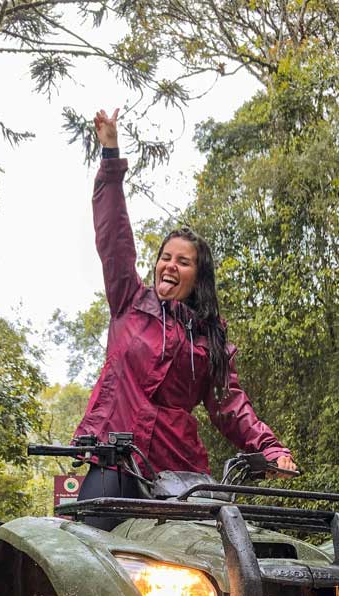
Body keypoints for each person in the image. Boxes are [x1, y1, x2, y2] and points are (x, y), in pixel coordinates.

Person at [74, 107, 297, 519]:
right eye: (165, 257)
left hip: (178, 471)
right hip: (115, 458)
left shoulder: (209, 337)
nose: (169, 266)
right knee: (85, 547)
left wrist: (269, 447)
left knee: (201, 565)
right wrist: (110, 157)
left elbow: (229, 406)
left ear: (199, 276)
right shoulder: (129, 301)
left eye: (183, 262)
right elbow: (114, 237)